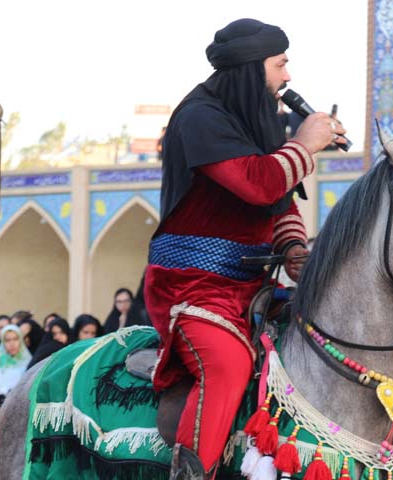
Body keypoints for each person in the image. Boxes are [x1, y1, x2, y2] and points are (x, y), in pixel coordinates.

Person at [143, 18, 344, 478]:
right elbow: (257, 184)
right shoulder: (199, 117)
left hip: (251, 287)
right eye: (281, 65)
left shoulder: (258, 118)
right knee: (229, 366)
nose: (288, 77)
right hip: (191, 288)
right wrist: (305, 144)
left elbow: (278, 201)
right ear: (254, 69)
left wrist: (293, 245)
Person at [0, 325, 32, 407]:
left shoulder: (28, 362)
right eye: (7, 340)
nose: (12, 344)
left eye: (15, 339)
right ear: (2, 342)